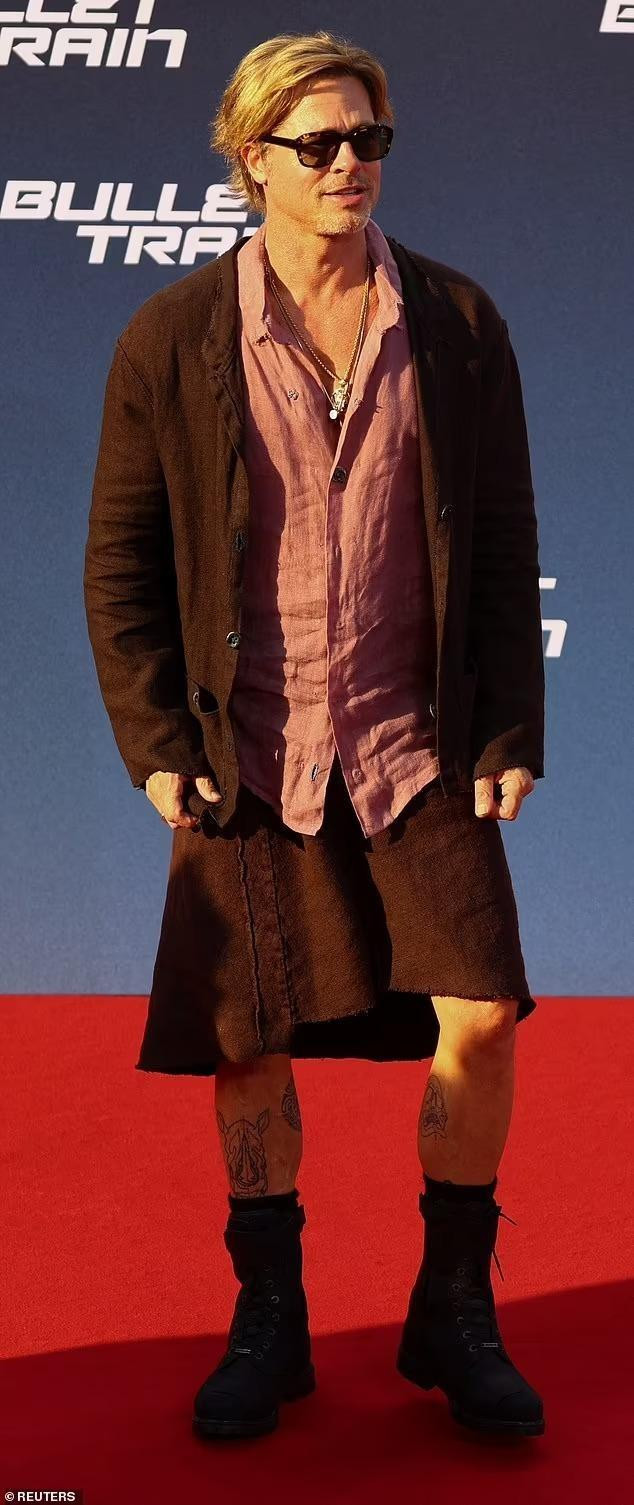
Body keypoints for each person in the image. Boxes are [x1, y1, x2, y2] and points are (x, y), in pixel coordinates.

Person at [84, 29, 546, 1443]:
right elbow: (121, 557)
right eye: (319, 144)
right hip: (248, 744)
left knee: (480, 1015)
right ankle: (269, 1318)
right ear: (252, 161)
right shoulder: (174, 335)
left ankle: (453, 1308)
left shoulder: (455, 322)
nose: (351, 166)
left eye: (370, 141)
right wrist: (154, 735)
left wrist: (509, 722)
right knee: (247, 1042)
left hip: (416, 740)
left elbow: (503, 534)